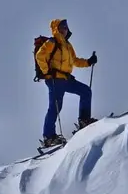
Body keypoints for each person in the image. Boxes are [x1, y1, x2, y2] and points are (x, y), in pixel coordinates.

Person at [34, 17, 98, 147]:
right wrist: (46, 72)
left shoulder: (67, 45)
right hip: (54, 79)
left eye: (66, 27)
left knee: (85, 91)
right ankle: (49, 137)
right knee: (55, 107)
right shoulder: (52, 42)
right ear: (56, 29)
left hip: (65, 79)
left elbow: (74, 61)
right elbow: (40, 56)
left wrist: (88, 62)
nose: (65, 29)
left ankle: (84, 120)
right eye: (62, 27)